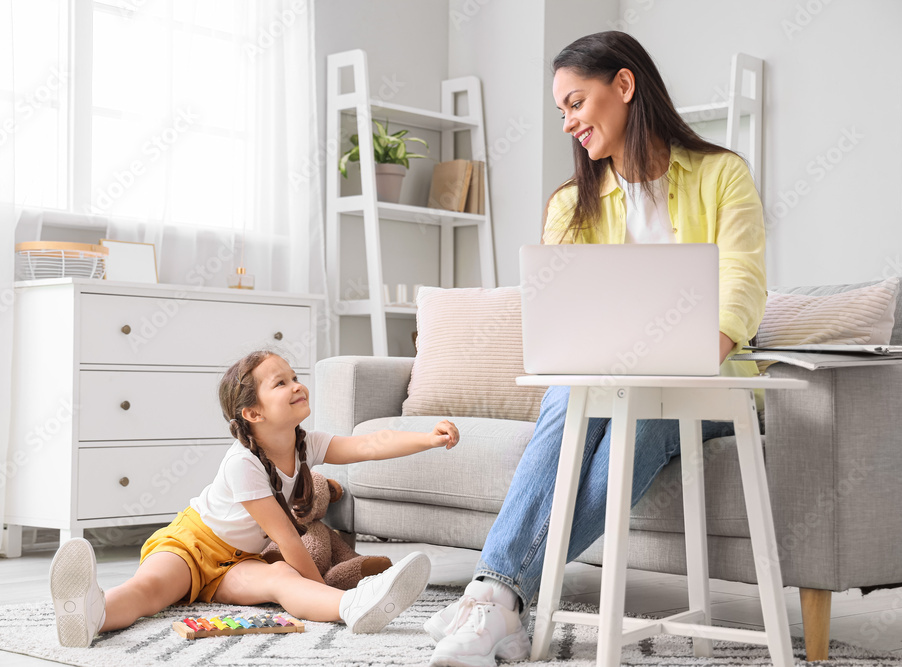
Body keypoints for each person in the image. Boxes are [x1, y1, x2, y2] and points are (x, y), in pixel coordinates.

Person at [426, 30, 767, 667]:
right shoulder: (570, 204)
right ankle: (498, 601)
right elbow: (560, 319)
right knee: (570, 397)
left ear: (625, 85)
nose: (568, 123)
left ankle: (493, 594)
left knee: (628, 413)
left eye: (575, 103)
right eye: (561, 111)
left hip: (706, 384)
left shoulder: (723, 174)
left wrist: (689, 353)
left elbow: (742, 287)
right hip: (603, 383)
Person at [48, 350, 459, 647]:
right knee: (150, 590)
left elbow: (369, 444)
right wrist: (316, 587)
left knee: (280, 579)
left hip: (239, 560)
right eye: (280, 383)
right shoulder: (241, 464)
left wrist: (427, 437)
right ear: (253, 414)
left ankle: (353, 607)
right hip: (191, 545)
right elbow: (286, 538)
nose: (297, 385)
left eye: (294, 376)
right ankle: (92, 613)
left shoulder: (306, 444)